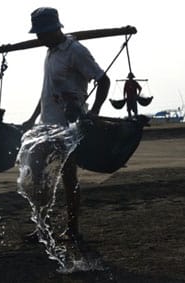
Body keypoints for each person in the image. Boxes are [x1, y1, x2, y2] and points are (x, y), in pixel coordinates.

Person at [21, 7, 110, 241]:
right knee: (36, 175)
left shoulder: (76, 51)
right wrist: (32, 119)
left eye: (41, 34)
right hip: (46, 126)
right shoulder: (50, 52)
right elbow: (46, 92)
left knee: (69, 177)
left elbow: (104, 80)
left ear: (54, 29)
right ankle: (41, 228)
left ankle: (73, 229)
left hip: (70, 126)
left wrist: (95, 112)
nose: (39, 39)